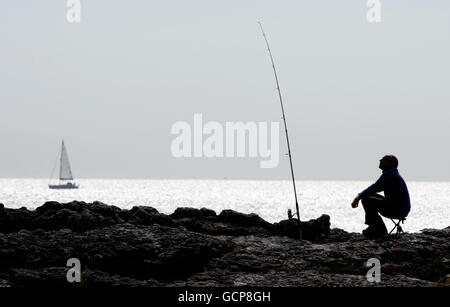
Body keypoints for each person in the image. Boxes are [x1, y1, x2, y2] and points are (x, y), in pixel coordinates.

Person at [351, 155, 410, 238]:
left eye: (383, 159)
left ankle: (377, 229)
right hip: (399, 208)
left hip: (397, 209)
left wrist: (358, 197)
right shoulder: (391, 173)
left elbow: (375, 187)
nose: (380, 160)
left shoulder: (390, 174)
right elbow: (376, 187)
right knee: (368, 196)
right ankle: (377, 228)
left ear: (390, 163)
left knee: (366, 198)